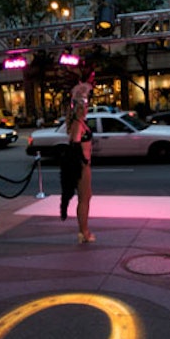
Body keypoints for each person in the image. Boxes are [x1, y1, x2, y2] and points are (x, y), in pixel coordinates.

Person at [60, 80, 95, 243]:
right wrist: (84, 161)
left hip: (84, 164)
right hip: (81, 165)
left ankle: (84, 230)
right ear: (80, 109)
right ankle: (84, 232)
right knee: (84, 199)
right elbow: (74, 144)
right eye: (85, 107)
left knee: (86, 197)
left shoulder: (81, 122)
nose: (87, 109)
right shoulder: (77, 124)